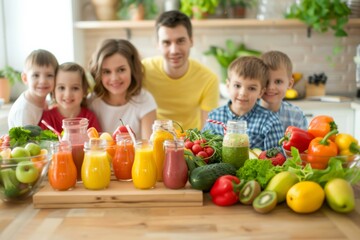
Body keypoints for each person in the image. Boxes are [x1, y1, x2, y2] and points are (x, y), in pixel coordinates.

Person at [142, 10, 219, 131]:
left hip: (190, 144)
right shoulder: (143, 71)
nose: (174, 50)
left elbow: (208, 129)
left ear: (191, 41)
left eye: (180, 41)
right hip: (156, 141)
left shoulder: (208, 79)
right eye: (166, 42)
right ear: (158, 44)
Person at [202, 56, 284, 150]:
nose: (243, 93)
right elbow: (204, 150)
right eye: (237, 85)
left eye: (252, 88)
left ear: (260, 92)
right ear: (228, 86)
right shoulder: (214, 117)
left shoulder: (270, 121)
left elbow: (275, 158)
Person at [87, 39, 157, 139]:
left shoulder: (144, 99)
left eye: (121, 70)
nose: (114, 78)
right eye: (107, 72)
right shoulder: (92, 101)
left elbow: (149, 146)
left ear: (132, 70)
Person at [38, 62, 102, 133]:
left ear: (84, 91)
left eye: (75, 88)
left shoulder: (89, 118)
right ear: (53, 91)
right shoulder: (47, 119)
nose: (67, 94)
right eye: (62, 88)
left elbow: (96, 142)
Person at [8, 49, 58, 128]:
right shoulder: (23, 111)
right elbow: (27, 140)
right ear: (25, 78)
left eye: (49, 75)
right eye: (36, 75)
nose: (43, 81)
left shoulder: (45, 102)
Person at [259, 50, 308, 131]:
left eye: (278, 81)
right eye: (266, 81)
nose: (270, 87)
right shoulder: (248, 112)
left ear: (289, 84)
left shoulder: (296, 115)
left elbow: (304, 142)